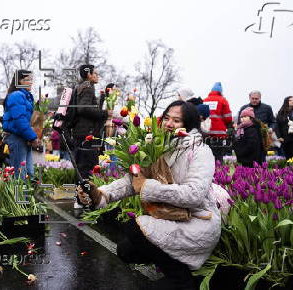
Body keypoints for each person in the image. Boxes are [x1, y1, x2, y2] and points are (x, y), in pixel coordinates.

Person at [77, 101, 220, 289]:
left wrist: (147, 186)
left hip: (197, 221)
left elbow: (193, 195)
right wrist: (101, 194)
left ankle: (182, 279)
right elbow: (133, 181)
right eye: (166, 118)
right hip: (169, 216)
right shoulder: (159, 146)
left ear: (190, 125)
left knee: (135, 228)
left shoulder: (200, 151)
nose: (168, 124)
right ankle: (176, 267)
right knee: (126, 250)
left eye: (176, 120)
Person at [72, 64, 112, 180]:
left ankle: (79, 194)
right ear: (89, 75)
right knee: (87, 167)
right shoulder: (88, 87)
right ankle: (85, 195)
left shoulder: (80, 87)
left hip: (79, 131)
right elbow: (83, 108)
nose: (97, 76)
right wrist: (105, 113)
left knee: (81, 166)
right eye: (95, 73)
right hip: (86, 133)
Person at [2, 70, 40, 179]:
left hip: (23, 137)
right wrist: (32, 137)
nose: (31, 82)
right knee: (20, 175)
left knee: (29, 173)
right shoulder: (16, 96)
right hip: (17, 138)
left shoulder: (25, 96)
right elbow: (20, 120)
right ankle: (19, 196)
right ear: (19, 81)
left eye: (31, 79)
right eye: (27, 80)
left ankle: (27, 196)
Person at [203, 82, 233, 161]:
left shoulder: (204, 100)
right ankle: (219, 172)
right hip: (219, 134)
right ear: (220, 91)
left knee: (207, 157)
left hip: (205, 133)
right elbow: (228, 118)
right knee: (218, 156)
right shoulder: (223, 100)